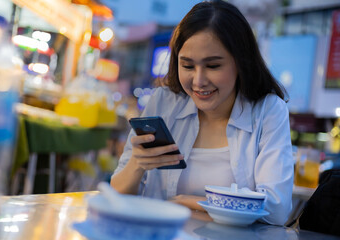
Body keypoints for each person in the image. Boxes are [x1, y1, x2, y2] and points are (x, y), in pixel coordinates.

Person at [111, 0, 293, 226]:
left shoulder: (268, 111)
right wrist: (137, 164)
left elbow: (276, 208)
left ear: (241, 62)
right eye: (187, 66)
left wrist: (187, 201)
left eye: (213, 66)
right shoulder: (163, 102)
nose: (198, 81)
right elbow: (117, 194)